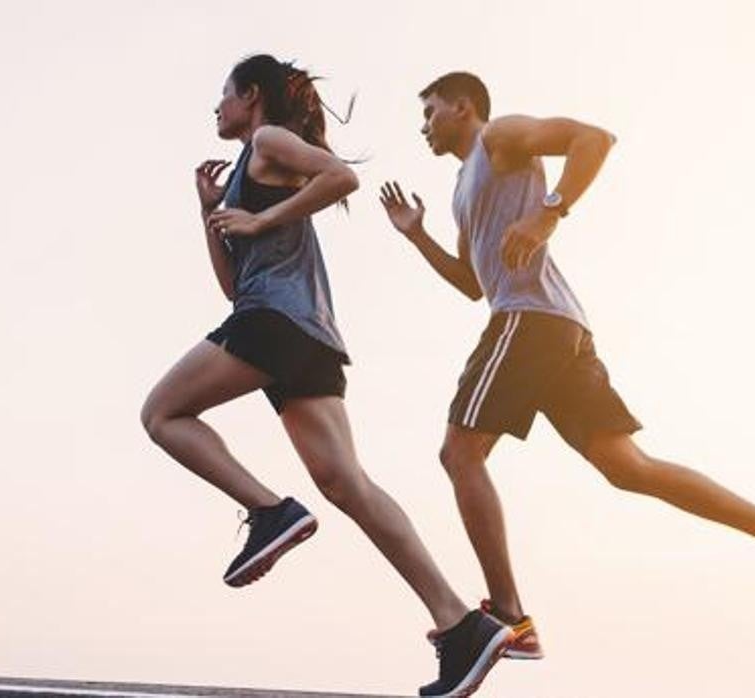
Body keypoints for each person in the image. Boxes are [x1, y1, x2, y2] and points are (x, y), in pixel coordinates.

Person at [377, 71, 755, 660]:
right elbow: (473, 284)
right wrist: (417, 236)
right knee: (629, 467)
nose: (423, 126)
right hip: (555, 326)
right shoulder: (462, 189)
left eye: (430, 112)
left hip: (529, 322)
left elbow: (593, 139)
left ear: (462, 107)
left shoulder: (500, 136)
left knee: (459, 452)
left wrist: (549, 214)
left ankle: (510, 616)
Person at [141, 56, 509, 696]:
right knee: (349, 485)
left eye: (223, 96)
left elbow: (341, 178)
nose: (216, 109)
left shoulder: (269, 139)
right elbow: (236, 286)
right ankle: (459, 625)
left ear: (251, 97)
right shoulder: (241, 176)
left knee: (162, 414)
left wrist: (260, 219)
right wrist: (212, 214)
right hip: (302, 336)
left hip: (278, 325)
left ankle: (269, 511)